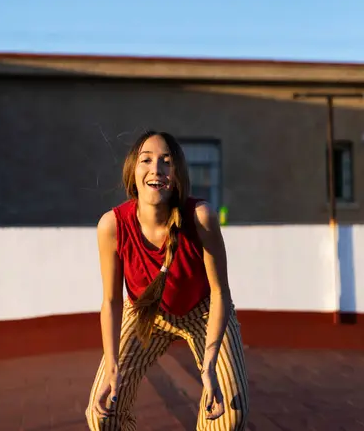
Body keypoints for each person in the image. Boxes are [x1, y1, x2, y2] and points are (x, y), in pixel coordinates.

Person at [86, 130, 249, 431]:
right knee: (102, 414)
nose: (156, 169)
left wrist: (210, 364)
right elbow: (110, 301)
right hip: (145, 313)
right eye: (146, 160)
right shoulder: (112, 226)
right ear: (132, 172)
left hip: (203, 312)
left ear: (176, 176)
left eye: (166, 162)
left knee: (229, 413)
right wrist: (112, 366)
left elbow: (220, 292)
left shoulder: (201, 218)